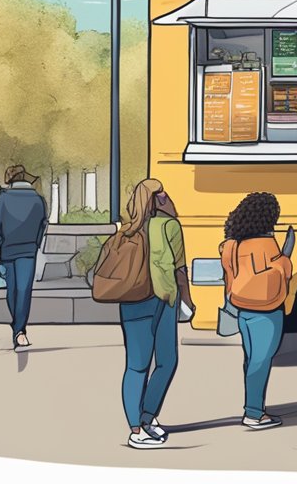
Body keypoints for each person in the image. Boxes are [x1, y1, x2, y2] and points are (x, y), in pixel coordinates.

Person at [120, 179, 193, 449]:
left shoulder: (128, 230)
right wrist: (189, 301)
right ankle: (145, 420)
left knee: (136, 365)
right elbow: (180, 270)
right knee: (167, 361)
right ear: (159, 199)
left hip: (131, 300)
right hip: (164, 299)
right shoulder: (170, 226)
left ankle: (138, 425)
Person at [220, 192, 294, 429]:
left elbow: (230, 276)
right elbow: (281, 271)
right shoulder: (267, 243)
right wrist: (286, 257)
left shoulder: (233, 243)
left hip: (242, 308)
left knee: (251, 359)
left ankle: (252, 405)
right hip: (267, 310)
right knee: (261, 360)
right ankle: (254, 413)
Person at [0, 165, 47, 349]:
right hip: (28, 252)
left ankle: (18, 327)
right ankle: (19, 330)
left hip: (8, 251)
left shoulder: (4, 197)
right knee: (24, 290)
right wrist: (35, 243)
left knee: (12, 290)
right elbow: (42, 224)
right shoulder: (38, 199)